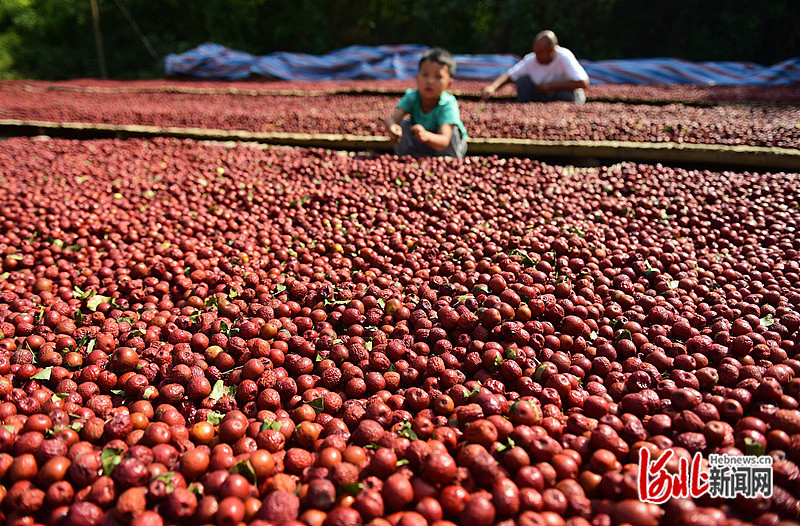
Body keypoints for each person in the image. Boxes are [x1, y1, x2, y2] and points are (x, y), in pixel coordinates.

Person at [384, 47, 468, 158]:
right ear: (417, 78)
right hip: (422, 143)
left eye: (438, 77)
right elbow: (392, 119)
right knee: (403, 125)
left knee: (452, 132)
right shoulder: (412, 96)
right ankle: (406, 158)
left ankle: (448, 161)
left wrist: (426, 135)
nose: (430, 81)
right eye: (425, 75)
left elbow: (444, 141)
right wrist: (392, 127)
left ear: (449, 83)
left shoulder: (447, 103)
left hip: (445, 147)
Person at [482, 30, 589, 104]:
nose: (536, 55)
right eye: (535, 51)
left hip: (564, 96)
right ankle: (524, 110)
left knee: (565, 95)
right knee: (523, 82)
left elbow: (583, 82)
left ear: (552, 50)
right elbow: (510, 75)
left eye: (540, 52)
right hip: (542, 96)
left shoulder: (564, 56)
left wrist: (552, 86)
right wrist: (492, 87)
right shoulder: (531, 59)